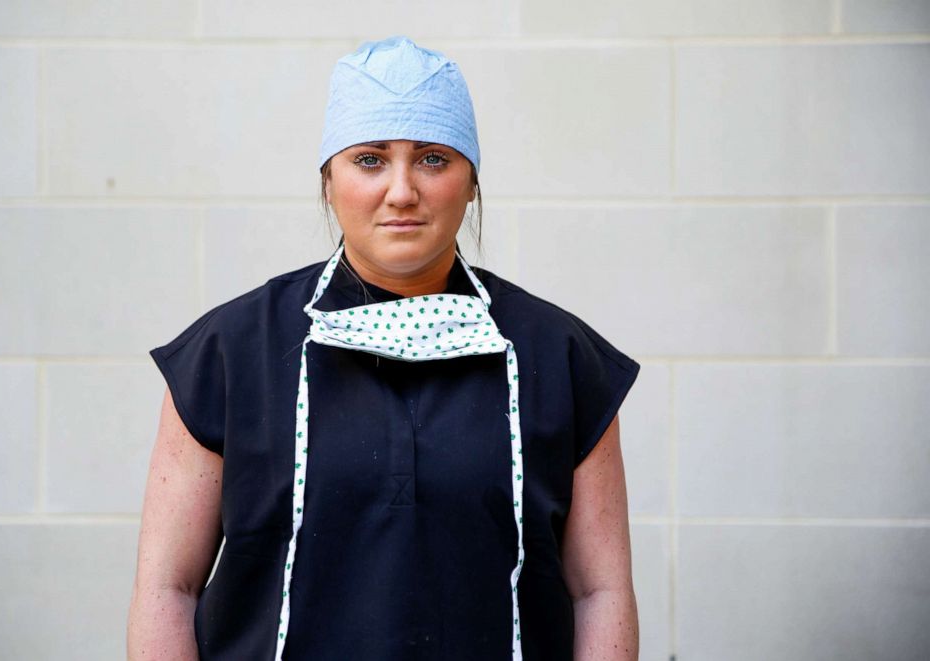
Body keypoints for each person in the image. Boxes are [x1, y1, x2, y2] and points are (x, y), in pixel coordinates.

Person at [128, 36, 640, 661]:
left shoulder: (559, 359)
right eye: (370, 160)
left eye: (432, 158)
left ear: (471, 182)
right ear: (328, 181)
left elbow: (602, 592)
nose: (401, 191)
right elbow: (166, 591)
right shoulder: (230, 356)